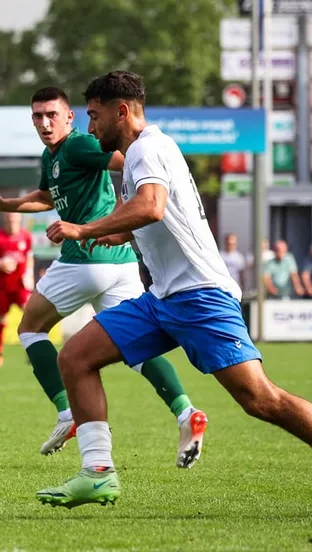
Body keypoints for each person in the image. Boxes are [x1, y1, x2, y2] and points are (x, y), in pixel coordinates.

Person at [37, 71, 312, 508]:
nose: (90, 128)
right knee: (75, 357)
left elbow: (151, 207)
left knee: (262, 400)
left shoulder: (146, 148)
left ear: (121, 111)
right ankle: (98, 472)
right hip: (163, 299)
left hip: (200, 296)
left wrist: (85, 227)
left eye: (94, 116)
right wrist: (120, 234)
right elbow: (162, 216)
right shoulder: (143, 151)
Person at [0, 86, 205, 460]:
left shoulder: (79, 145)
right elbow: (48, 197)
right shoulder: (52, 156)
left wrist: (128, 198)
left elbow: (123, 160)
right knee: (137, 347)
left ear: (70, 117)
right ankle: (186, 412)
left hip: (84, 257)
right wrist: (9, 204)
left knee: (30, 328)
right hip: (119, 263)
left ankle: (67, 412)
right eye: (37, 116)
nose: (44, 122)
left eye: (52, 114)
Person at [0, 212, 33, 367]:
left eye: (15, 219)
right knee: (2, 320)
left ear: (19, 220)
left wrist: (29, 275)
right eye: (9, 219)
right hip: (2, 286)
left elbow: (29, 256)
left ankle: (32, 352)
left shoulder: (26, 237)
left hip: (20, 286)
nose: (12, 222)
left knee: (31, 316)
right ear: (5, 220)